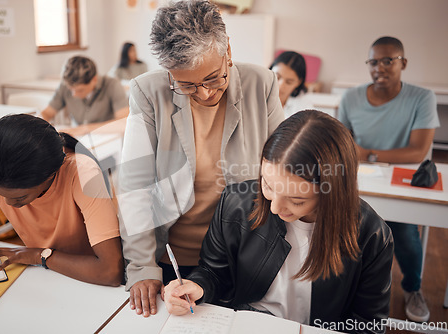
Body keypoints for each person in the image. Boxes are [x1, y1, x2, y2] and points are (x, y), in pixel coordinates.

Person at [117, 0, 284, 317]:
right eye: (187, 84)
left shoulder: (261, 84)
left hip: (241, 253)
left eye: (213, 78)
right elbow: (134, 185)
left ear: (228, 52)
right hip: (173, 257)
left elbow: (281, 170)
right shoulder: (148, 92)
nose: (205, 93)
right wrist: (141, 266)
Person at [164, 110, 394, 334]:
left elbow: (368, 325)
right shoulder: (236, 203)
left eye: (296, 200)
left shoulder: (372, 235)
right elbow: (213, 272)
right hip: (245, 324)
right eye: (268, 186)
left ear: (332, 194)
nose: (274, 207)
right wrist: (197, 286)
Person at [0, 114, 123, 286]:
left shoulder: (82, 173)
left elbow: (110, 271)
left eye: (20, 197)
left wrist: (38, 255)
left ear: (50, 175)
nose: (8, 204)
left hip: (90, 282)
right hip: (47, 277)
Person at [338, 36, 439, 322]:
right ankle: (349, 290)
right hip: (360, 181)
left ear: (402, 63)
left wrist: (368, 153)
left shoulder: (421, 97)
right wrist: (358, 154)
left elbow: (418, 151)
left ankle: (413, 288)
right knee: (348, 231)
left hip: (399, 179)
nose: (379, 67)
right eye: (373, 61)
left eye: (387, 60)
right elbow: (342, 145)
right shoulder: (351, 97)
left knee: (404, 233)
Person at [41, 56, 129, 126]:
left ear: (94, 80)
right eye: (71, 89)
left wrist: (84, 129)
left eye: (80, 90)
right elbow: (47, 113)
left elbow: (123, 122)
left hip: (107, 138)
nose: (74, 94)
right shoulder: (65, 85)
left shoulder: (112, 85)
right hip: (79, 138)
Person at [269, 51, 313, 118]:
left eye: (289, 82)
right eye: (277, 77)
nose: (281, 85)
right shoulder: (256, 95)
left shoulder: (304, 107)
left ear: (298, 83)